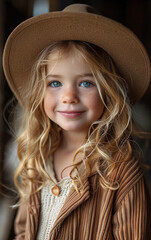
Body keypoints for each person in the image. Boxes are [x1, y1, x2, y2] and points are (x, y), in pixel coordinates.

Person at [2, 3, 151, 240]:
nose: (69, 97)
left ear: (109, 92)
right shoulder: (38, 157)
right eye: (55, 83)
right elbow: (23, 230)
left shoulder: (120, 170)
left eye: (85, 83)